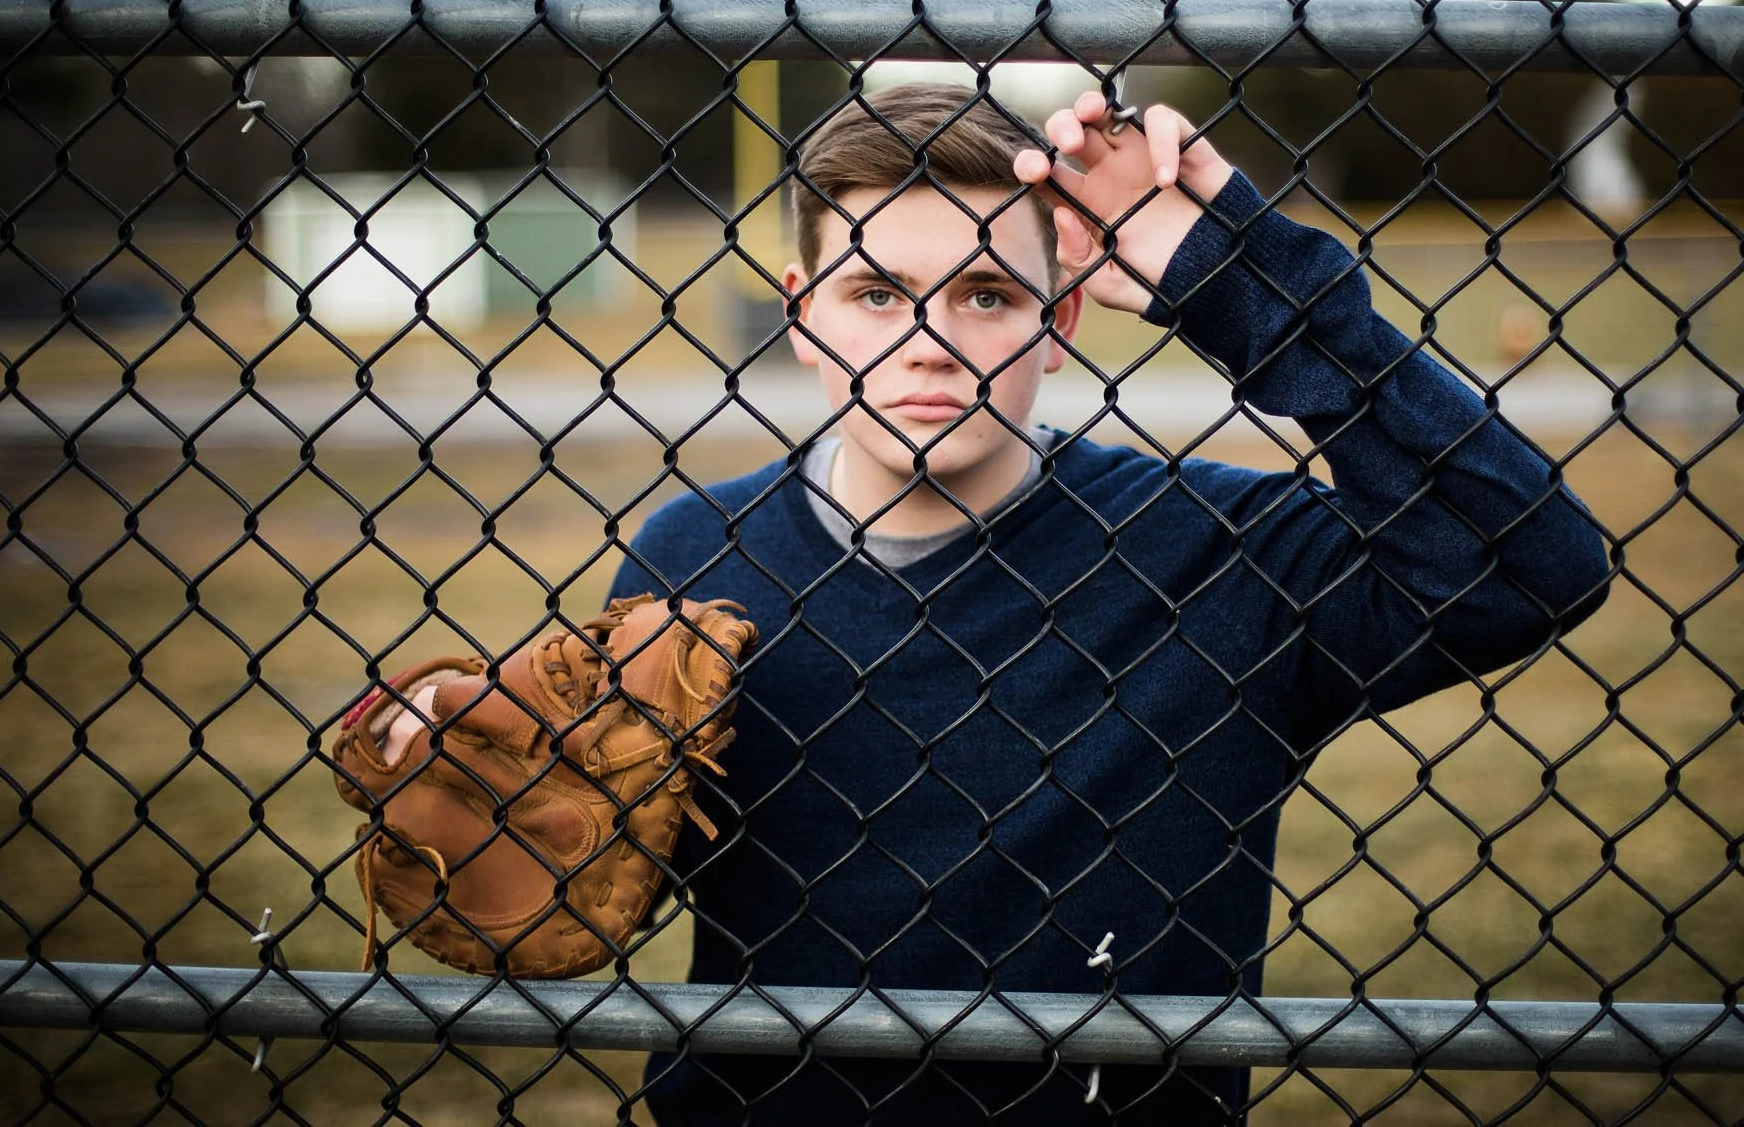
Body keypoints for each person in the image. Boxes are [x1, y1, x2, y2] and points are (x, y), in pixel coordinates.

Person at [607, 82, 1612, 1124]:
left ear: (1061, 320)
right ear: (799, 316)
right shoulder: (690, 556)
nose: (928, 340)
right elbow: (616, 870)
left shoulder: (1212, 554)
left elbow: (1531, 562)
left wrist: (1234, 281)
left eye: (987, 293)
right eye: (873, 292)